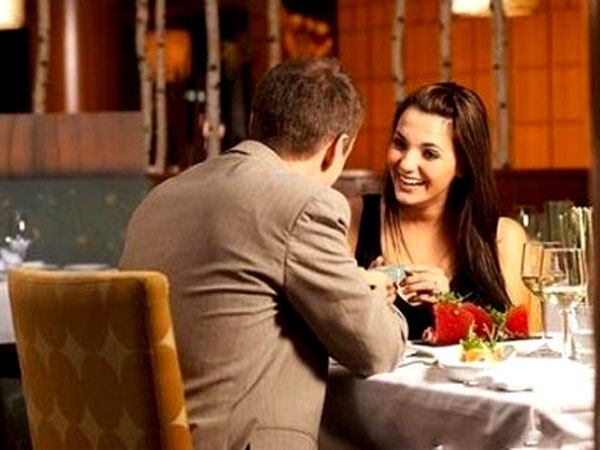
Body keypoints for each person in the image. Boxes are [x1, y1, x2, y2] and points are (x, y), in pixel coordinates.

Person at [120, 58, 408, 450]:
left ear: (256, 121)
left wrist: (349, 285)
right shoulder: (305, 205)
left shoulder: (158, 199)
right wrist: (379, 301)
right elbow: (376, 350)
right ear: (337, 148)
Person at [352, 81, 541, 340]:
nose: (406, 163)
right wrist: (359, 301)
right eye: (399, 143)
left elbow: (525, 345)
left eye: (429, 154)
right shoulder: (353, 217)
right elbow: (321, 335)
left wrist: (451, 307)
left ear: (463, 165)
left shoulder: (504, 238)